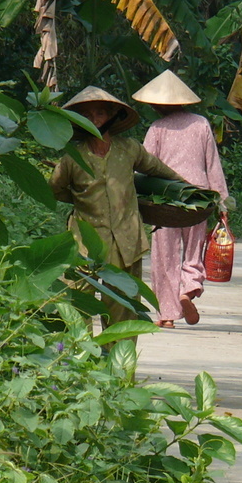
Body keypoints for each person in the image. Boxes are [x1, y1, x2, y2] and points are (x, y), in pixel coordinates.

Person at [49, 86, 183, 328]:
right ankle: (80, 362)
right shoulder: (73, 157)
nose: (94, 120)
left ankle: (118, 365)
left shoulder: (129, 149)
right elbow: (54, 189)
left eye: (100, 113)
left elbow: (157, 170)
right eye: (87, 115)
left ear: (112, 115)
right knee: (77, 308)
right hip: (84, 245)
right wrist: (82, 199)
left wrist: (189, 189)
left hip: (126, 244)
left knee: (123, 310)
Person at [133, 69, 231, 328]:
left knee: (164, 255)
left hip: (165, 199)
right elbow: (212, 163)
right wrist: (222, 201)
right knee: (193, 251)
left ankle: (167, 315)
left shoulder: (157, 128)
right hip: (197, 197)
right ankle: (187, 290)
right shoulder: (200, 124)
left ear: (156, 104)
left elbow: (145, 165)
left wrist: (135, 195)